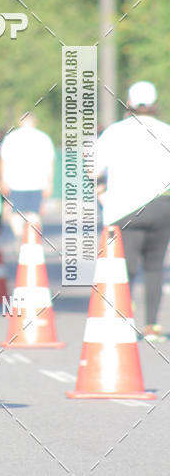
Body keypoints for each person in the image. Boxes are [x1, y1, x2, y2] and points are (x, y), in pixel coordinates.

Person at [96, 81, 170, 337]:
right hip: (162, 205)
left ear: (128, 105)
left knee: (126, 268)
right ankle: (152, 325)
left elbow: (93, 169)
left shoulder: (115, 133)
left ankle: (124, 318)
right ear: (155, 106)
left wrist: (101, 192)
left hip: (125, 208)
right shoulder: (166, 131)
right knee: (155, 266)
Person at [0, 113, 55, 239]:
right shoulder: (43, 138)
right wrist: (49, 183)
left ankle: (20, 236)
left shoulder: (11, 138)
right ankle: (32, 238)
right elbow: (50, 162)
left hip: (16, 182)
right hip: (37, 182)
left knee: (16, 213)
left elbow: (3, 161)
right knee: (34, 213)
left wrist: (3, 180)